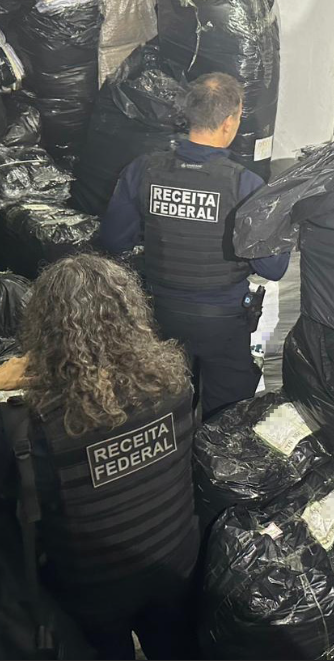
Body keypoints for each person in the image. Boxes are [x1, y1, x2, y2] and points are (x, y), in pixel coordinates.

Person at [0, 254, 199, 660]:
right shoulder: (175, 384)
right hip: (175, 567)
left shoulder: (22, 426)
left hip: (93, 595)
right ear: (132, 315)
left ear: (45, 331)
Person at [98, 72, 290, 418]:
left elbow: (114, 240)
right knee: (225, 422)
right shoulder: (246, 185)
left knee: (163, 414)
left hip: (159, 317)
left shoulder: (143, 169)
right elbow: (273, 268)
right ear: (230, 121)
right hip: (223, 324)